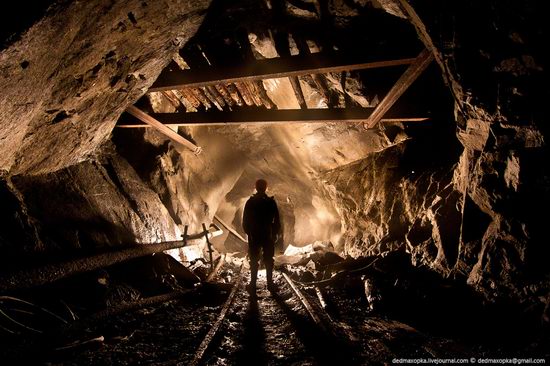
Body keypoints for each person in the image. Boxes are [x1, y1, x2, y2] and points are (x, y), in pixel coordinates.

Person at [242, 179, 281, 294]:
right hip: (267, 233)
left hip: (255, 233)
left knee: (254, 259)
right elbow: (277, 220)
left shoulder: (251, 202)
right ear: (265, 187)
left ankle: (253, 284)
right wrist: (274, 233)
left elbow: (245, 220)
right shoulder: (270, 202)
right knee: (269, 259)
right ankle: (270, 283)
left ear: (256, 187)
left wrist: (249, 232)